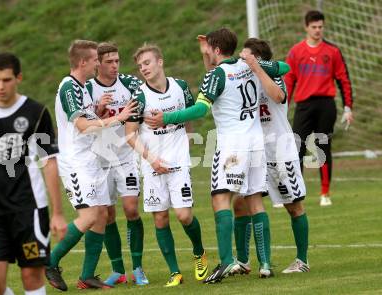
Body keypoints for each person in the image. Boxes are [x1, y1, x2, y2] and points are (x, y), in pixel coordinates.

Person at [144, 28, 289, 282]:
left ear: (217, 49)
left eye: (208, 48)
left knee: (220, 200)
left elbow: (200, 109)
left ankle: (225, 262)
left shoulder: (218, 74)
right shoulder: (247, 64)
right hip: (256, 143)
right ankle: (265, 263)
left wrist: (166, 118)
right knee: (255, 201)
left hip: (232, 146)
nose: (206, 51)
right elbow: (284, 67)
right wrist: (256, 65)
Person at [0, 52, 67, 295]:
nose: (0, 86)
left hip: (29, 209)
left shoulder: (35, 113)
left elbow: (49, 162)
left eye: (6, 80)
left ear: (18, 78)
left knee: (31, 277)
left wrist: (58, 213)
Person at [45, 40, 137, 291]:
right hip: (75, 162)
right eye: (96, 59)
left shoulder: (83, 89)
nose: (99, 63)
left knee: (102, 215)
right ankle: (50, 261)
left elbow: (89, 118)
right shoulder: (69, 87)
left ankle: (87, 275)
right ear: (83, 62)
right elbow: (83, 126)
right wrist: (118, 117)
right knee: (88, 216)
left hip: (90, 159)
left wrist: (98, 109)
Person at [125, 44, 208, 287]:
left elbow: (191, 115)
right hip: (152, 165)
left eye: (147, 63)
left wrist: (186, 145)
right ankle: (175, 272)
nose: (143, 69)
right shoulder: (139, 97)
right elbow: (130, 134)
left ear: (160, 61)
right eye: (140, 66)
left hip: (179, 162)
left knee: (184, 216)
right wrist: (151, 159)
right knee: (160, 218)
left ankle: (199, 252)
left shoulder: (181, 87)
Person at [231, 38, 310, 275]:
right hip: (254, 151)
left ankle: (301, 260)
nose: (242, 60)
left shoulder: (272, 75)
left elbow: (277, 97)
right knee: (240, 204)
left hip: (280, 150)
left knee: (293, 206)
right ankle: (243, 261)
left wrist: (257, 67)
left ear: (257, 59)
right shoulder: (242, 80)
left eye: (246, 56)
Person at [88, 42, 148, 286]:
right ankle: (118, 270)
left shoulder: (131, 85)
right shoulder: (87, 88)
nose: (115, 66)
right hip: (99, 159)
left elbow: (148, 101)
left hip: (125, 157)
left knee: (131, 209)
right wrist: (97, 110)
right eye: (109, 62)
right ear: (98, 63)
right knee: (107, 214)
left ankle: (138, 268)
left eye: (117, 61)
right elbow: (80, 123)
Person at [284, 10, 353, 206]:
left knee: (323, 147)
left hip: (326, 105)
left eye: (320, 27)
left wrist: (348, 107)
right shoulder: (295, 52)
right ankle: (296, 192)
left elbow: (343, 79)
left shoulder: (332, 51)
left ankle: (325, 193)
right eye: (313, 27)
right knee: (298, 148)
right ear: (306, 27)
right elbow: (289, 82)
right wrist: (282, 108)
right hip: (304, 106)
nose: (317, 30)